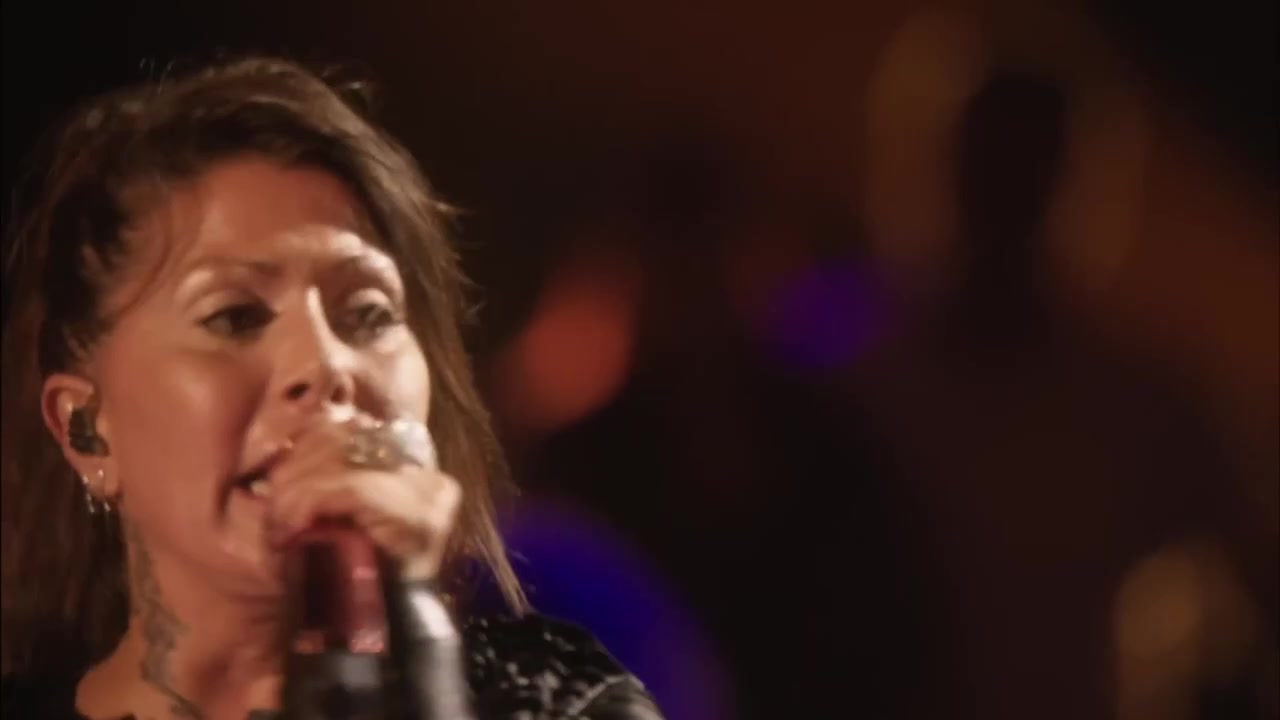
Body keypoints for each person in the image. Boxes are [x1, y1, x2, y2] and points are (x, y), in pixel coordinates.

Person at [0, 56, 664, 720]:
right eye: (235, 316)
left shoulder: (562, 704)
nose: (325, 364)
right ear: (87, 430)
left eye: (369, 314)